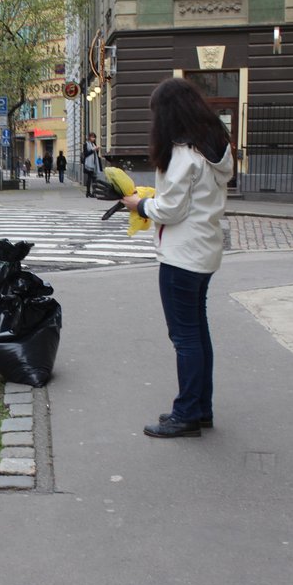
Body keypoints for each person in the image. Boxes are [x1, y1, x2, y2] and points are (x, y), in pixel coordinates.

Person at [121, 77, 233, 439]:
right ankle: (201, 409)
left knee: (185, 338)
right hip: (204, 252)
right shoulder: (213, 148)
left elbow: (170, 210)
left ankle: (185, 414)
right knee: (198, 334)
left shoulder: (182, 155)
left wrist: (140, 203)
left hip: (181, 256)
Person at [82, 132, 101, 197]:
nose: (94, 138)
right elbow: (86, 154)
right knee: (89, 178)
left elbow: (96, 154)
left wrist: (97, 150)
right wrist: (93, 150)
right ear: (89, 137)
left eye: (94, 137)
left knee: (94, 178)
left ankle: (94, 192)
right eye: (92, 137)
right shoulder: (86, 144)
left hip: (94, 163)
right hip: (88, 164)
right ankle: (88, 192)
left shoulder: (94, 144)